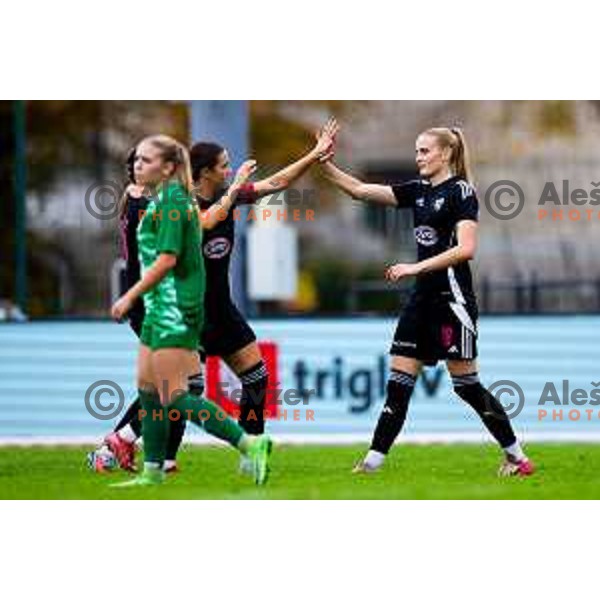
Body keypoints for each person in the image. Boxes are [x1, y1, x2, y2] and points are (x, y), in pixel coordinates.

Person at [105, 120, 338, 475]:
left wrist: (313, 155)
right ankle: (124, 443)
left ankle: (251, 455)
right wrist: (235, 189)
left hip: (221, 308)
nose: (231, 170)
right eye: (225, 165)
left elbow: (276, 183)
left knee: (256, 378)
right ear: (205, 173)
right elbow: (207, 222)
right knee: (181, 390)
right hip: (187, 310)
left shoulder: (223, 194)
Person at [320, 124, 535, 477]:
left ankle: (517, 457)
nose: (417, 157)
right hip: (421, 302)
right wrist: (322, 161)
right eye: (416, 151)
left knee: (467, 387)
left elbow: (466, 249)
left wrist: (414, 267)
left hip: (453, 302)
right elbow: (359, 190)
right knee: (397, 386)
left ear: (446, 154)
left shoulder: (461, 192)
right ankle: (372, 463)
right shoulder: (418, 190)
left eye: (424, 151)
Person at [109, 134, 272, 486]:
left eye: (147, 160)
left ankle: (249, 445)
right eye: (137, 161)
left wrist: (128, 296)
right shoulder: (151, 201)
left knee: (178, 393)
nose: (140, 165)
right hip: (159, 307)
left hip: (176, 307)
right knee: (156, 392)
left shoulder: (169, 202)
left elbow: (173, 254)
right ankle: (151, 468)